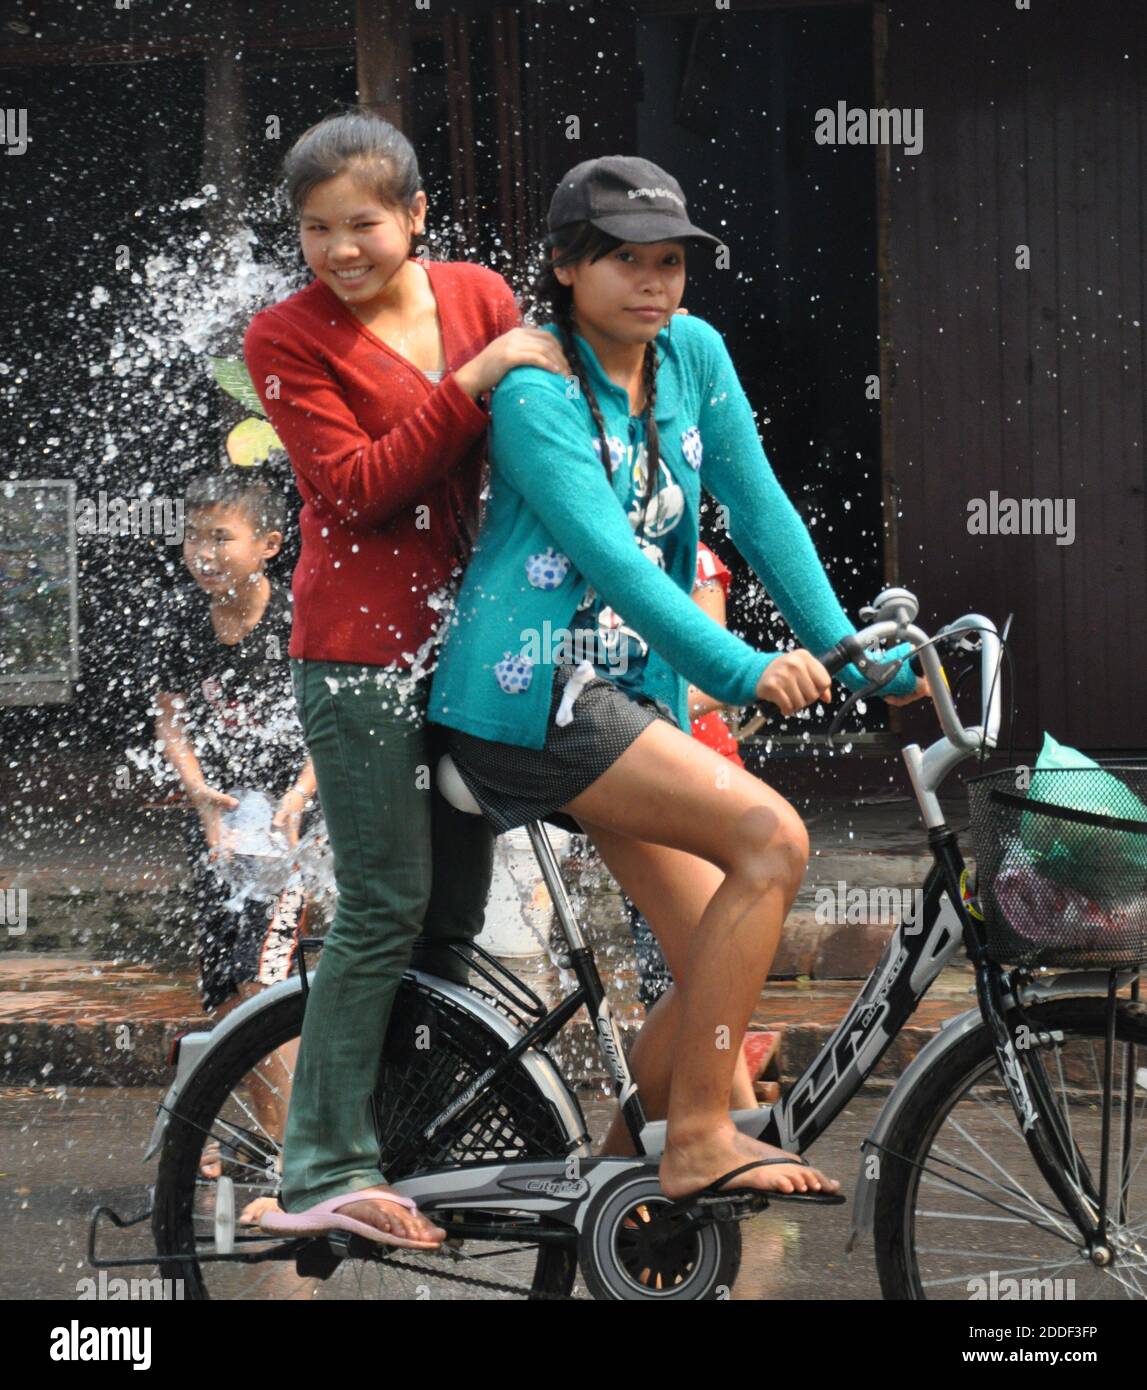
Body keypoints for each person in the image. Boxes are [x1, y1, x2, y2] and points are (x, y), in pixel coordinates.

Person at [429, 155, 929, 1205]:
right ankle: (698, 1130)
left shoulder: (692, 352)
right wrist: (742, 668)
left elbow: (758, 507)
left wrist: (845, 650)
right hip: (532, 697)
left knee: (715, 942)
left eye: (671, 262)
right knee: (772, 838)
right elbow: (609, 558)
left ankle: (619, 1183)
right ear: (565, 267)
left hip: (625, 699)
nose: (655, 283)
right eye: (625, 261)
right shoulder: (536, 391)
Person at [241, 110, 573, 1249]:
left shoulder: (478, 291)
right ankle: (320, 1162)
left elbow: (545, 437)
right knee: (383, 902)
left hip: (472, 649)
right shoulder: (284, 338)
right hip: (356, 661)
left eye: (365, 223)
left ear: (416, 216)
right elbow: (359, 489)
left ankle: (405, 1139)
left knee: (454, 914)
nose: (341, 249)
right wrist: (477, 377)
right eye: (316, 229)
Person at [145, 470, 313, 1196]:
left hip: (289, 827)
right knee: (225, 988)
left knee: (265, 983)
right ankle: (265, 1134)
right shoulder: (185, 622)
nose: (203, 552)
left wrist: (302, 796)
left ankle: (293, 1154)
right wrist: (198, 794)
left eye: (221, 536)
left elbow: (330, 716)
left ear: (269, 545)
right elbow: (170, 719)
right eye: (194, 536)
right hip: (221, 823)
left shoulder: (296, 616)